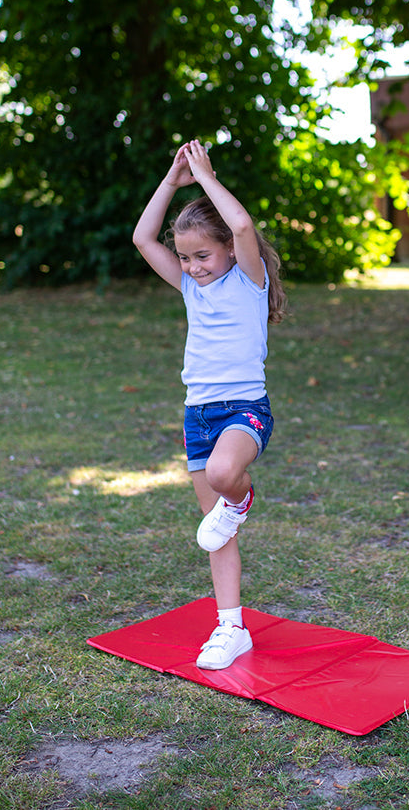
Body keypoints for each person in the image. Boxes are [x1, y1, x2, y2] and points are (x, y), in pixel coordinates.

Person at [132, 139, 287, 670]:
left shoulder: (248, 281)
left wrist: (207, 178)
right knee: (214, 535)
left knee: (226, 476)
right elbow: (142, 237)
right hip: (197, 414)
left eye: (203, 255)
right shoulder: (191, 289)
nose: (193, 267)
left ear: (225, 250)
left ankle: (242, 500)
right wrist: (172, 182)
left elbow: (243, 226)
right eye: (185, 258)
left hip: (244, 408)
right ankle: (231, 628)